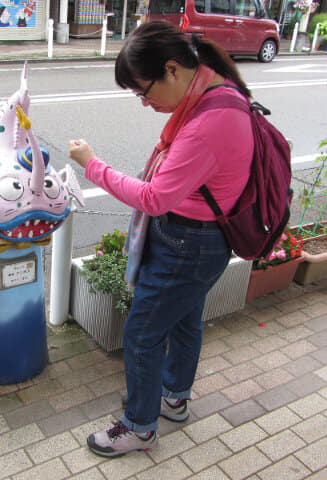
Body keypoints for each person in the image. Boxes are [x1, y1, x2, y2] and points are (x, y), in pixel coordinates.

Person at [68, 21, 254, 458]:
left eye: (144, 91)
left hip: (186, 245)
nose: (145, 102)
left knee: (141, 335)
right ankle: (173, 397)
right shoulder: (216, 91)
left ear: (172, 69)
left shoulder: (209, 122)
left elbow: (154, 198)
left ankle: (139, 426)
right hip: (202, 241)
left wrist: (92, 165)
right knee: (185, 320)